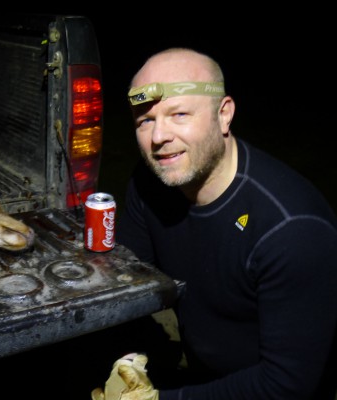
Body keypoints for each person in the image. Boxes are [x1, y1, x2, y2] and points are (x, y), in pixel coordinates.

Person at [92, 48, 337, 400]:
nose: (158, 137)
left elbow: (287, 385)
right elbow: (129, 284)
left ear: (224, 115)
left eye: (179, 114)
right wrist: (126, 361)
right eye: (145, 120)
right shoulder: (151, 184)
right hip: (202, 376)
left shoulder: (293, 229)